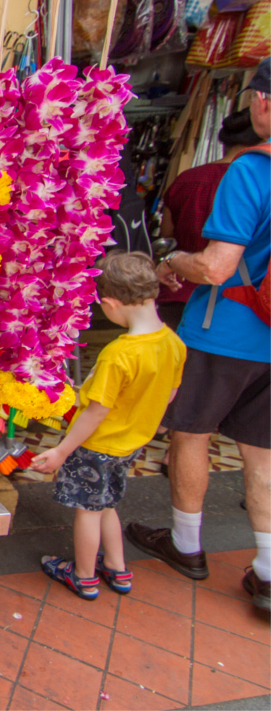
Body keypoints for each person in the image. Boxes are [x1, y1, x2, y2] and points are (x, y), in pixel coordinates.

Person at [128, 58, 271, 611]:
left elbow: (215, 266)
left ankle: (186, 546)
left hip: (226, 331)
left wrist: (174, 264)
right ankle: (265, 569)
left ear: (260, 101)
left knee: (191, 433)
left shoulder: (251, 171)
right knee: (261, 456)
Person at [32, 252, 186, 600]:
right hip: (132, 443)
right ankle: (117, 568)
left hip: (97, 446)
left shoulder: (119, 354)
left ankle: (84, 575)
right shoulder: (174, 343)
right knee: (106, 503)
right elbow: (169, 394)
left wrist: (61, 450)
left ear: (111, 304)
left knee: (87, 510)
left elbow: (95, 412)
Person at [157, 109, 263, 331]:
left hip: (178, 289)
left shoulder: (185, 179)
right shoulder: (255, 181)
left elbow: (167, 235)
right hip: (235, 299)